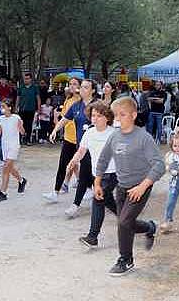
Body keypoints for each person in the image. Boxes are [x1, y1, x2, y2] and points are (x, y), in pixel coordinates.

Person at [94, 97, 165, 276]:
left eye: (122, 114)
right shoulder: (114, 136)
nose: (118, 119)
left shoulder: (143, 137)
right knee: (127, 222)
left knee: (123, 222)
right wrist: (97, 182)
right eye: (116, 115)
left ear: (133, 115)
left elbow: (159, 165)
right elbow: (103, 159)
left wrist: (142, 187)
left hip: (140, 187)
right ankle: (149, 227)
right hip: (122, 188)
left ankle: (126, 259)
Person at [67, 102, 117, 248]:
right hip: (97, 175)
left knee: (98, 199)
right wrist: (73, 161)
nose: (95, 118)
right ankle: (142, 225)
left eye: (99, 116)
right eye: (93, 115)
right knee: (112, 205)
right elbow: (82, 151)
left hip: (111, 174)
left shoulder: (114, 133)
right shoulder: (89, 132)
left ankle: (92, 237)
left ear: (107, 117)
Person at [49, 79, 98, 218]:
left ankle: (75, 205)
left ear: (93, 90)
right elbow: (65, 119)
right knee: (89, 175)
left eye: (86, 87)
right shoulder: (76, 106)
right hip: (81, 147)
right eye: (81, 87)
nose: (81, 90)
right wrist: (54, 130)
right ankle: (103, 198)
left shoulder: (97, 106)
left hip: (95, 148)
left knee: (85, 175)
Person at [43, 78, 81, 203]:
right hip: (69, 138)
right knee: (62, 165)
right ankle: (55, 191)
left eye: (75, 84)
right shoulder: (68, 100)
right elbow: (64, 119)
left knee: (85, 166)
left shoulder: (83, 102)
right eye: (70, 84)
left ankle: (89, 189)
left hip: (81, 140)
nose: (72, 86)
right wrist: (55, 129)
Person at [0, 100, 27, 202]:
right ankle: (21, 180)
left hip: (14, 146)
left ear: (9, 107)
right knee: (9, 167)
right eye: (1, 106)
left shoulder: (16, 118)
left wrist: (20, 126)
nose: (1, 108)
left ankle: (3, 192)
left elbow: (23, 132)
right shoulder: (1, 119)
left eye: (3, 106)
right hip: (5, 146)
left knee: (6, 168)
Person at [16, 73, 41, 145]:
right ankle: (20, 139)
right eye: (25, 79)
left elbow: (38, 98)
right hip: (22, 109)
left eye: (27, 79)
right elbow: (18, 98)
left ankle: (27, 140)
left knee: (29, 125)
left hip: (31, 109)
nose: (26, 80)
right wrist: (16, 107)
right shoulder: (21, 87)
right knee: (21, 124)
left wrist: (39, 108)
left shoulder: (34, 87)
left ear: (30, 79)